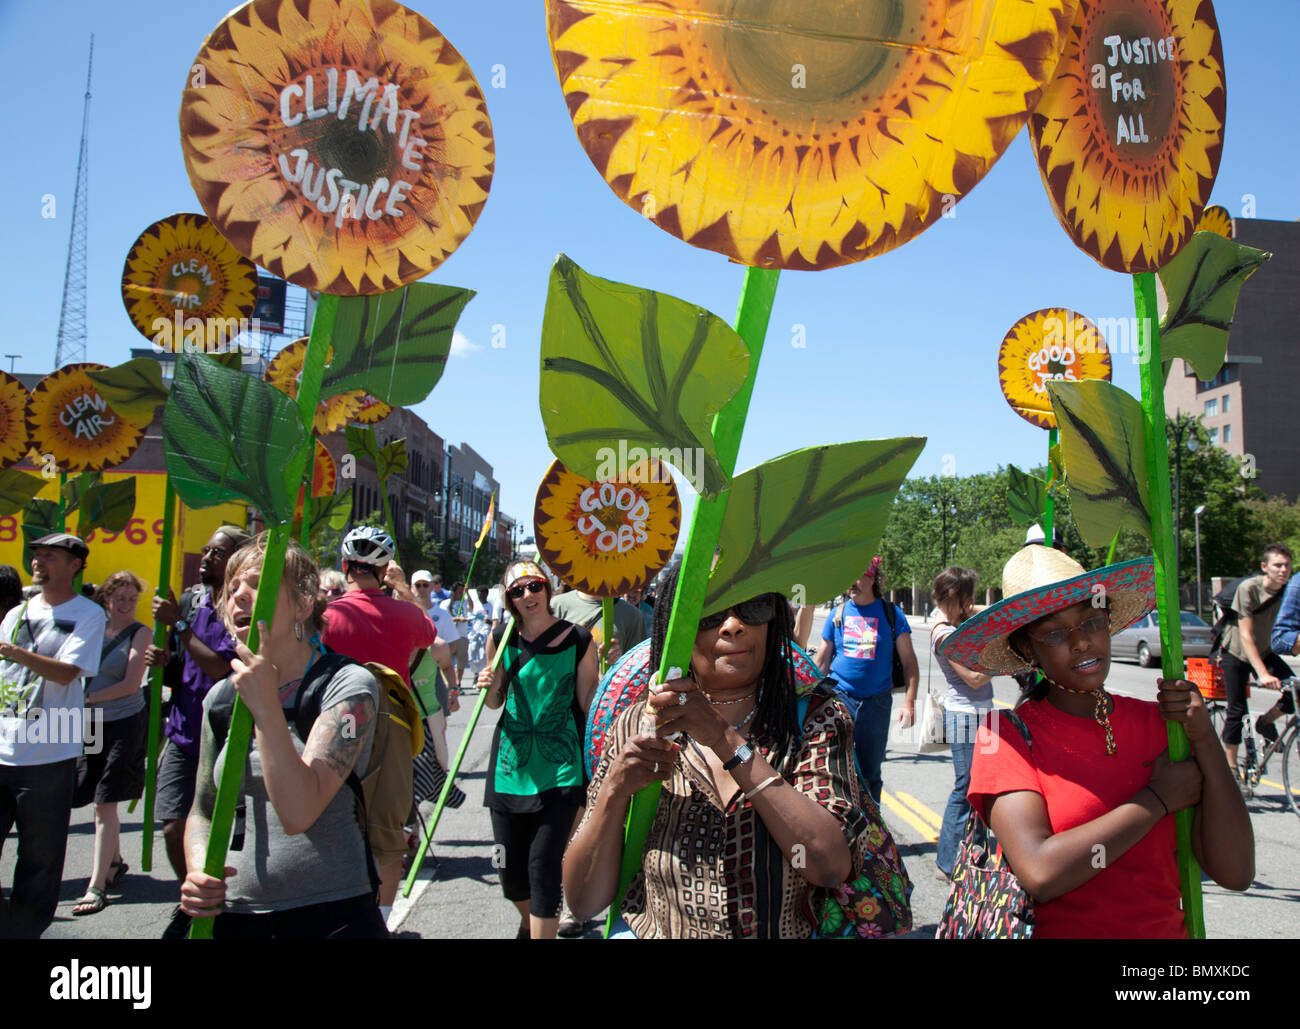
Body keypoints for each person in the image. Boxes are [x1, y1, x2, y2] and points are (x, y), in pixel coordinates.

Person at [939, 545, 1254, 938]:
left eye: (1091, 622)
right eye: (1054, 633)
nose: (1081, 642)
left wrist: (1204, 737)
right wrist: (1156, 800)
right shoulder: (1003, 738)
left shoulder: (1163, 725)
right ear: (1026, 649)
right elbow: (1041, 872)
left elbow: (1236, 872)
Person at [564, 567, 893, 939]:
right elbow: (584, 901)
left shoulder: (816, 717)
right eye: (711, 610)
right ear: (677, 624)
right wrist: (613, 791)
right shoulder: (640, 724)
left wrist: (723, 738)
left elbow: (828, 866)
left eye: (752, 607)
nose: (733, 625)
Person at [180, 536, 386, 939]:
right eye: (232, 586)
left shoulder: (347, 685)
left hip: (330, 915)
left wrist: (266, 710)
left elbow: (298, 813)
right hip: (234, 918)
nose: (238, 595)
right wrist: (198, 866)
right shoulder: (221, 699)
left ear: (303, 605)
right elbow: (203, 809)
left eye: (257, 583)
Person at [476, 561, 597, 939]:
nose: (528, 595)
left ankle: (542, 930)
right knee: (509, 874)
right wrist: (489, 684)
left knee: (544, 867)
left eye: (535, 586)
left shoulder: (579, 639)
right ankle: (529, 923)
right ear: (509, 599)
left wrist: (605, 674)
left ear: (548, 588)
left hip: (560, 767)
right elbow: (496, 703)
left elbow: (586, 704)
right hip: (511, 767)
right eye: (517, 591)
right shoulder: (502, 635)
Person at [322, 525, 436, 924]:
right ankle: (382, 920)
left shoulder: (327, 616)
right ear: (386, 568)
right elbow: (429, 634)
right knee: (387, 832)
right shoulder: (405, 612)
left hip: (338, 722)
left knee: (332, 817)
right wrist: (402, 589)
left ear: (344, 567)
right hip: (393, 725)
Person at [0, 533, 106, 938]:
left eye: (49, 556)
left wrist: (16, 653)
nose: (39, 561)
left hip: (48, 752)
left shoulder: (88, 614)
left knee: (39, 860)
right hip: (3, 746)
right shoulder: (16, 613)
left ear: (75, 565)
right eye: (37, 555)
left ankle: (23, 933)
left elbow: (66, 672)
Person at [144, 524, 247, 939]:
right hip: (184, 729)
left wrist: (180, 626)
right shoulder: (190, 598)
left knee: (218, 828)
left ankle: (220, 903)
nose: (206, 558)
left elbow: (219, 668)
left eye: (217, 553)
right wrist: (163, 657)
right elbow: (182, 667)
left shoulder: (240, 608)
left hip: (224, 735)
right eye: (205, 550)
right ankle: (195, 897)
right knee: (172, 824)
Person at [71, 571, 152, 916]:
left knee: (107, 803)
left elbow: (130, 685)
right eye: (119, 598)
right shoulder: (91, 629)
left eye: (131, 599)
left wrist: (86, 700)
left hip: (123, 723)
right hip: (90, 724)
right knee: (93, 797)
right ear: (106, 598)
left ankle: (96, 884)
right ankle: (115, 861)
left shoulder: (141, 632)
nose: (125, 605)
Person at [813, 556, 919, 802]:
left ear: (872, 578)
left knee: (871, 773)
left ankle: (873, 832)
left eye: (857, 575)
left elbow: (909, 662)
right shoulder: (836, 614)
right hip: (841, 700)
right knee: (838, 769)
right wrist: (809, 699)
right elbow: (822, 660)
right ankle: (845, 826)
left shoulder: (892, 614)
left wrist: (910, 703)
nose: (852, 582)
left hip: (877, 704)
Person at [928, 567, 993, 881]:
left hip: (982, 713)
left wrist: (970, 609)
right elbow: (976, 679)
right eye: (968, 598)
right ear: (954, 596)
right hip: (965, 715)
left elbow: (990, 611)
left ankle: (974, 854)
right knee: (965, 787)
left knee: (983, 788)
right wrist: (1002, 658)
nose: (972, 604)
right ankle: (947, 862)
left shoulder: (955, 621)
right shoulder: (944, 633)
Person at [1220, 544, 1294, 764]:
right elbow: (1246, 636)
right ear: (1265, 567)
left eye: (1287, 565)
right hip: (1236, 652)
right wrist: (1262, 674)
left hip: (1265, 650)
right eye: (1277, 565)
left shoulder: (1288, 592)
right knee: (1237, 711)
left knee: (1296, 694)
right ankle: (1231, 767)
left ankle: (1265, 722)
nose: (1283, 570)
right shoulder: (1249, 589)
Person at [551, 587, 646, 670]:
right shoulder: (557, 605)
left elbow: (635, 670)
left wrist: (619, 665)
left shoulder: (632, 615)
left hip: (605, 688)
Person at [440, 582, 473, 690]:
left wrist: (467, 593)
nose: (460, 593)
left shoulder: (465, 602)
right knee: (447, 661)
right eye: (458, 591)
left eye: (461, 591)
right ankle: (448, 684)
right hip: (449, 636)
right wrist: (457, 619)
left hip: (462, 636)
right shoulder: (445, 603)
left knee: (461, 662)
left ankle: (458, 683)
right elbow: (443, 619)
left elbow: (471, 607)